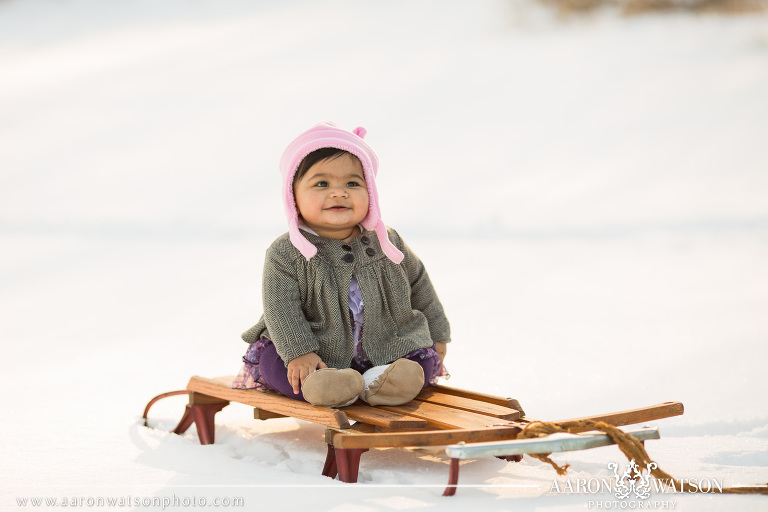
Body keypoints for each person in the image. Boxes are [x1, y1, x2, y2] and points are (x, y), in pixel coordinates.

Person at [233, 122, 450, 408]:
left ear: (370, 191)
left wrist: (437, 334)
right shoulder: (286, 252)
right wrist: (299, 352)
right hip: (315, 354)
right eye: (321, 184)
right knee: (278, 364)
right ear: (293, 196)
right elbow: (280, 308)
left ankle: (384, 381)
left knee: (420, 361)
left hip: (387, 347)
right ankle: (329, 385)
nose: (338, 193)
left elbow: (419, 282)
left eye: (352, 183)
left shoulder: (387, 241)